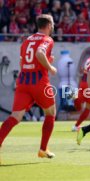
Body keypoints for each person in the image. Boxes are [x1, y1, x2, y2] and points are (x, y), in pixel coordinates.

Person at [0, 14, 57, 164]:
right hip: (39, 82)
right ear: (49, 25)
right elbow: (39, 53)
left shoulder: (27, 41)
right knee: (50, 113)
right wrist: (50, 67)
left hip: (23, 82)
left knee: (15, 117)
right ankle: (43, 149)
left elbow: (21, 61)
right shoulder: (48, 39)